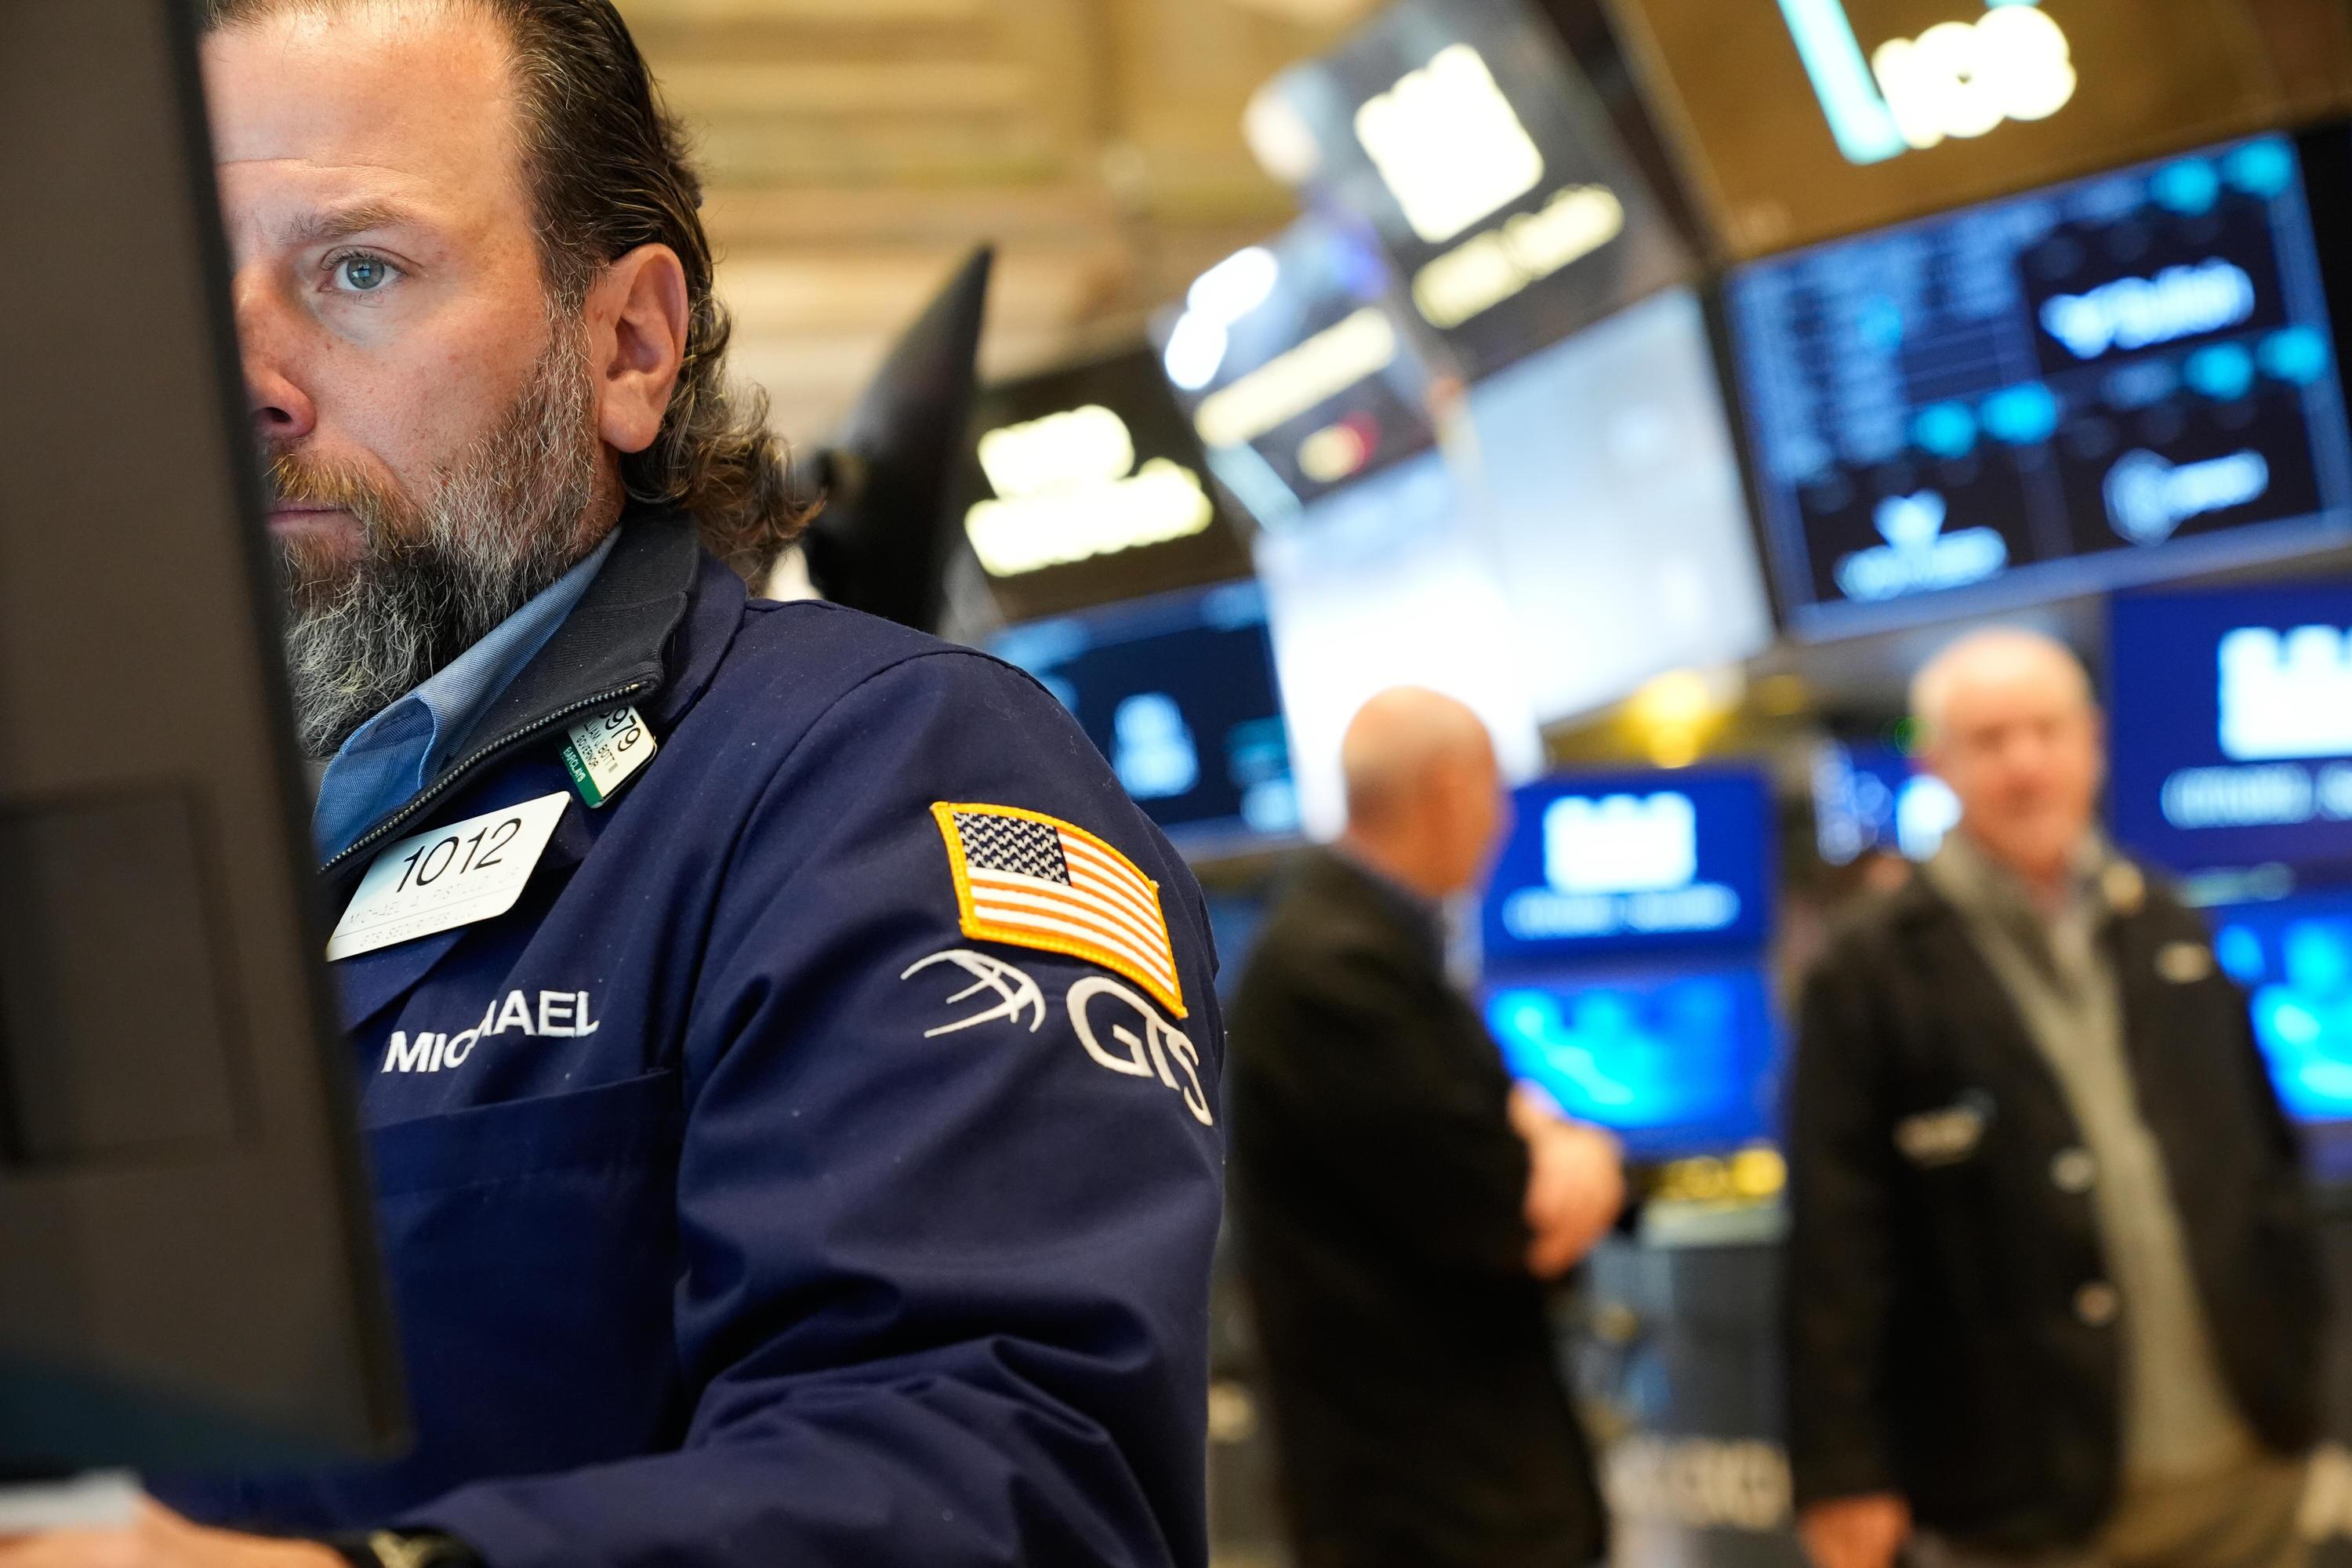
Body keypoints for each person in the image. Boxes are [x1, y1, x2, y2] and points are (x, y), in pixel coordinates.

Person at [0, 2, 1225, 1565]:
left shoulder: (875, 776)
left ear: (629, 345)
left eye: (358, 270)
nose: (240, 379)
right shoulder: (106, 863)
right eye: (186, 285)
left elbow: (1017, 1478)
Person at [1785, 628, 2325, 1568]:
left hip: (2245, 1462)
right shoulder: (1867, 970)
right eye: (1990, 739)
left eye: (2047, 730)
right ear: (1935, 764)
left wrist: (2319, 1381)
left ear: (2094, 742)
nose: (2025, 763)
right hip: (2023, 1491)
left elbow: (2265, 1169)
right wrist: (1842, 1466)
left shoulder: (2168, 921)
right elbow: (1837, 1239)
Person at [1228, 688, 1625, 1568]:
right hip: (1429, 1504)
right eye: (1495, 787)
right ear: (1448, 788)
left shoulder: (1368, 943)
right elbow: (1507, 1211)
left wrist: (1540, 1134)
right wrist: (1581, 1151)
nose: (1504, 818)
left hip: (1454, 1491)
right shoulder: (1336, 964)